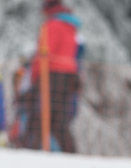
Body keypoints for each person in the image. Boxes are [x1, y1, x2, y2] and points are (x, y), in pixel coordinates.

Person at [28, 0, 83, 153]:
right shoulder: (71, 27)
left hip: (52, 77)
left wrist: (34, 75)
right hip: (69, 76)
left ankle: (31, 152)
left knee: (40, 116)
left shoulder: (51, 26)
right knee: (59, 121)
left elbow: (44, 53)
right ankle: (71, 154)